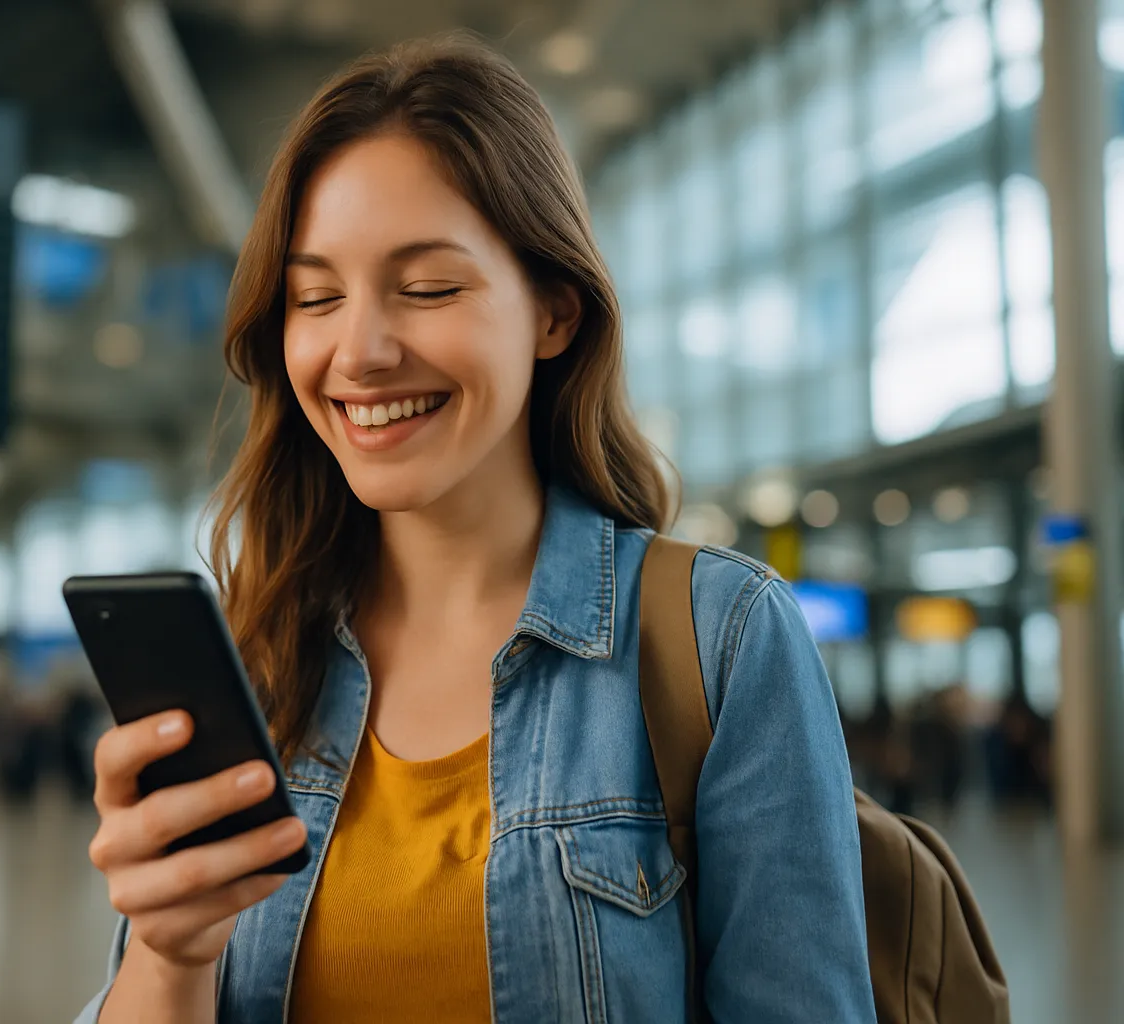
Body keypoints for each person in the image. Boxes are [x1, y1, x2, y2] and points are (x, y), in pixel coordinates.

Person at [77, 36, 874, 1024]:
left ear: (554, 312)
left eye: (428, 288)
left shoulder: (724, 638)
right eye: (315, 297)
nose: (358, 353)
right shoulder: (258, 652)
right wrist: (169, 947)